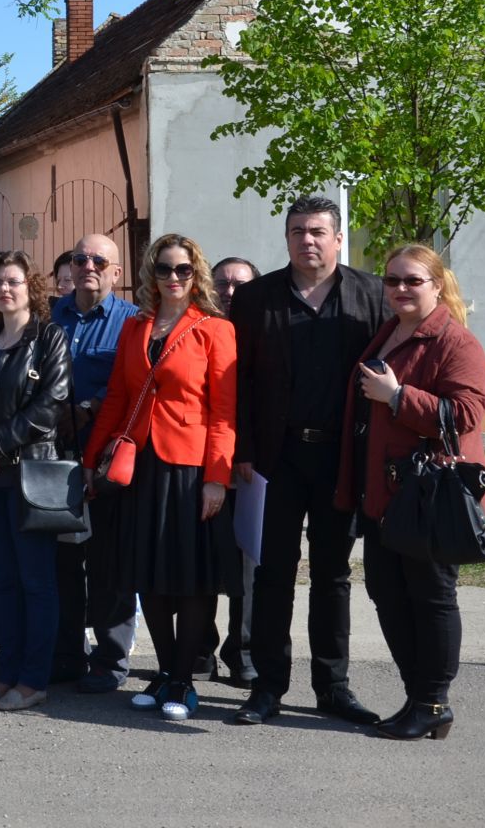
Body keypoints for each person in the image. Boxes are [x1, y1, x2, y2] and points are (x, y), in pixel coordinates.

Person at [229, 195, 387, 729]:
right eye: (297, 231)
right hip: (276, 459)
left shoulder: (371, 296)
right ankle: (267, 686)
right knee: (272, 573)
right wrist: (244, 450)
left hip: (342, 458)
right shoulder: (255, 298)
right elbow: (240, 382)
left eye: (318, 231)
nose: (307, 240)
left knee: (332, 575)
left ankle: (333, 687)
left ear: (339, 238)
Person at [338, 245, 485, 741]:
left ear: (437, 285)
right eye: (392, 281)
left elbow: (465, 414)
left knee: (431, 597)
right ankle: (417, 696)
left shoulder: (454, 341)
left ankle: (434, 701)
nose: (400, 289)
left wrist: (399, 397)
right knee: (387, 593)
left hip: (428, 496)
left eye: (412, 281)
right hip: (386, 493)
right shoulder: (389, 333)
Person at [84, 234, 238, 722]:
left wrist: (217, 477)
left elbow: (224, 412)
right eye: (164, 270)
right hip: (141, 466)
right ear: (151, 274)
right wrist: (92, 460)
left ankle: (184, 679)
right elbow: (116, 398)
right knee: (147, 574)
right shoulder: (136, 328)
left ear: (197, 276)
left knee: (191, 578)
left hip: (191, 469)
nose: (173, 278)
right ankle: (167, 669)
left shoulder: (215, 330)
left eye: (184, 270)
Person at [0, 251, 72, 712]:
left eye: (14, 282)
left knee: (36, 581)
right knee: (2, 581)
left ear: (31, 288)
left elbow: (52, 403)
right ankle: (6, 676)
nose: (5, 290)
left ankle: (33, 680)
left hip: (30, 473)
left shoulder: (49, 337)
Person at [49, 233, 140, 692]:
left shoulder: (132, 323)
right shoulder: (52, 316)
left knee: (108, 565)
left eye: (100, 261)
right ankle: (67, 655)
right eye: (82, 258)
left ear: (116, 273)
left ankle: (110, 660)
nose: (89, 266)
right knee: (64, 561)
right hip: (58, 458)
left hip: (107, 460)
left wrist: (89, 407)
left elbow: (138, 384)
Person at [205, 253, 262, 687]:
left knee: (246, 564)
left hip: (248, 465)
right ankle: (199, 648)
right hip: (200, 463)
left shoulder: (264, 336)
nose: (230, 292)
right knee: (202, 560)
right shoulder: (200, 331)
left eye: (240, 285)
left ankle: (241, 651)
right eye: (222, 283)